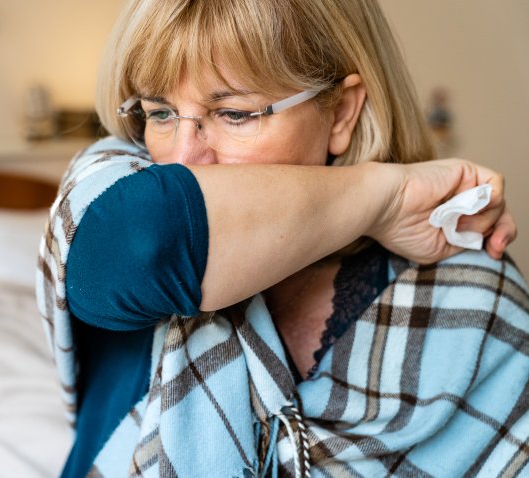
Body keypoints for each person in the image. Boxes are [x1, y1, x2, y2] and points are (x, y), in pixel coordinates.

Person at [35, 0, 527, 476]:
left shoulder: (465, 294)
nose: (182, 160)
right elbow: (138, 246)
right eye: (160, 112)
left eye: (235, 114)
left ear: (340, 114)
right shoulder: (115, 182)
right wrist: (387, 195)